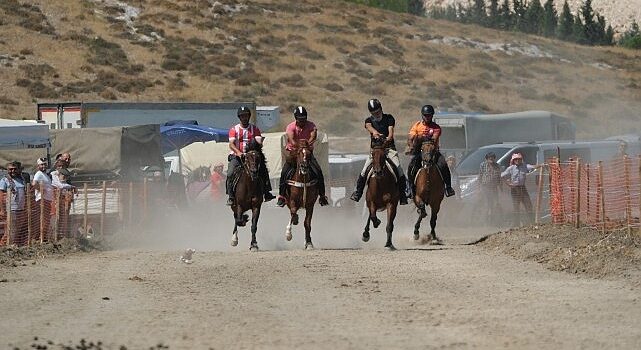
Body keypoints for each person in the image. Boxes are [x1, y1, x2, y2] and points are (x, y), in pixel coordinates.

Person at [349, 98, 409, 205]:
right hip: (375, 151)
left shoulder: (389, 118)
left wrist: (386, 138)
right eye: (374, 113)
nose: (376, 114)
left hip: (388, 149)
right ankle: (358, 192)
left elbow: (390, 133)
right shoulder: (368, 120)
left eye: (377, 112)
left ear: (381, 109)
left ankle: (403, 194)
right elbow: (369, 127)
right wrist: (375, 133)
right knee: (364, 171)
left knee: (398, 169)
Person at [276, 106, 329, 207]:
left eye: (304, 119)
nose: (302, 122)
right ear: (296, 119)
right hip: (293, 153)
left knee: (318, 171)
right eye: (300, 120)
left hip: (307, 152)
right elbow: (291, 139)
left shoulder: (311, 125)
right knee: (284, 172)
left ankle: (322, 196)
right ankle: (282, 196)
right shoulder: (290, 127)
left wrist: (306, 145)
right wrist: (299, 147)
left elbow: (313, 136)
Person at [226, 106, 276, 206]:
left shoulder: (255, 129)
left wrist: (259, 142)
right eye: (242, 116)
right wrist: (239, 153)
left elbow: (258, 140)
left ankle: (267, 192)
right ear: (239, 117)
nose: (245, 118)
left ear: (249, 117)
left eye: (246, 116)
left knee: (263, 170)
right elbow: (231, 144)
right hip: (237, 156)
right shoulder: (234, 129)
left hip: (251, 156)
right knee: (230, 172)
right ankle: (231, 196)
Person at [405, 105, 456, 198]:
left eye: (429, 115)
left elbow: (433, 139)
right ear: (422, 115)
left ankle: (448, 187)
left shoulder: (436, 127)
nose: (427, 117)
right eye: (425, 115)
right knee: (411, 166)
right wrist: (411, 145)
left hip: (433, 152)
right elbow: (410, 138)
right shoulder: (417, 125)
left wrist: (420, 137)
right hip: (419, 152)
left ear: (432, 116)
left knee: (443, 164)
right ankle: (410, 187)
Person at [501, 153, 542, 226]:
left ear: (521, 160)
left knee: (528, 205)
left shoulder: (525, 166)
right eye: (516, 159)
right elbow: (502, 176)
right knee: (516, 206)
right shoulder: (511, 168)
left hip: (522, 188)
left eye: (519, 159)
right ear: (513, 160)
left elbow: (533, 167)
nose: (517, 160)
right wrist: (508, 184)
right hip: (514, 188)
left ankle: (532, 222)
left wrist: (541, 165)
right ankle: (516, 224)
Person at [0, 161, 28, 245]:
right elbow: (1, 196)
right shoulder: (5, 180)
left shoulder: (21, 179)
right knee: (10, 229)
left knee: (17, 229)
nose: (13, 171)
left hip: (21, 209)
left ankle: (13, 244)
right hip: (11, 209)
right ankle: (3, 245)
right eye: (10, 169)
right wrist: (2, 209)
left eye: (15, 169)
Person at [32, 157, 54, 239]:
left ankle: (42, 237)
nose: (44, 166)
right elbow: (34, 184)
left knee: (46, 220)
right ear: (38, 166)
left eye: (45, 164)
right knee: (43, 220)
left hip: (47, 200)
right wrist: (41, 190)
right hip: (42, 200)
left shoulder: (45, 175)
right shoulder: (39, 173)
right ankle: (40, 238)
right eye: (42, 165)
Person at [478, 152, 502, 225]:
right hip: (485, 187)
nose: (491, 159)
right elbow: (480, 176)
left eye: (492, 157)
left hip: (494, 188)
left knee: (494, 204)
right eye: (489, 158)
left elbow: (499, 177)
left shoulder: (497, 166)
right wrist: (479, 188)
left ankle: (491, 220)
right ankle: (484, 221)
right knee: (487, 204)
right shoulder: (483, 165)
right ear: (486, 159)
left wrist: (500, 187)